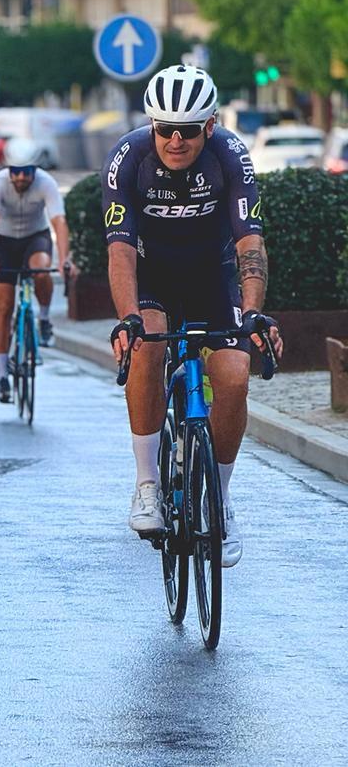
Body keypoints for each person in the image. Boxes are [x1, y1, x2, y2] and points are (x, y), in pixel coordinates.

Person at [104, 65, 283, 568]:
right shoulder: (128, 157)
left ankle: (219, 502)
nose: (175, 140)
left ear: (210, 125)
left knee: (235, 374)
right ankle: (147, 484)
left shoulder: (230, 155)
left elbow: (250, 243)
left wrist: (253, 313)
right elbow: (120, 252)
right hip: (151, 274)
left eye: (187, 129)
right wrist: (128, 319)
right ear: (152, 125)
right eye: (165, 128)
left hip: (213, 275)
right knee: (148, 342)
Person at [0, 137, 72, 403]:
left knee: (41, 269)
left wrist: (64, 259)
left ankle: (43, 319)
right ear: (8, 169)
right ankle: (2, 377)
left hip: (35, 238)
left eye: (27, 171)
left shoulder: (46, 183)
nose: (21, 177)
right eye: (16, 172)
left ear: (35, 169)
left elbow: (59, 222)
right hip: (4, 242)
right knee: (3, 306)